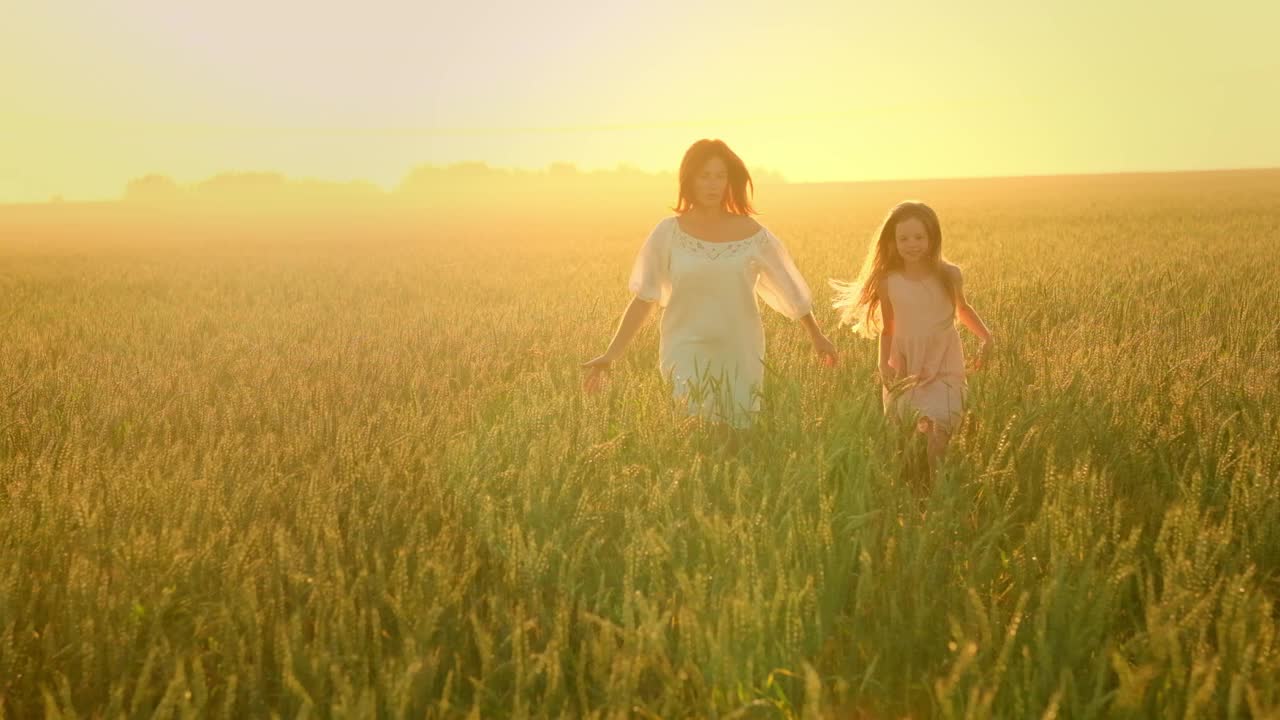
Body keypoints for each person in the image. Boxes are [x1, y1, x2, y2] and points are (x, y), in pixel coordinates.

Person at [581, 139, 837, 429]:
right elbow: (644, 298)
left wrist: (817, 336)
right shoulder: (668, 233)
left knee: (737, 435)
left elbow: (792, 290)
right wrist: (610, 355)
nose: (713, 184)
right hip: (684, 346)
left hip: (739, 348)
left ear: (730, 181)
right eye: (704, 176)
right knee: (691, 430)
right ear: (689, 180)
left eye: (720, 176)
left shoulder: (753, 234)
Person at [830, 201, 993, 473]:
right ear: (892, 242)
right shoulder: (888, 281)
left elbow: (962, 309)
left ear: (932, 238)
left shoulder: (950, 275)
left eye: (919, 237)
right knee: (912, 426)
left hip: (944, 360)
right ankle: (911, 479)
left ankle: (937, 488)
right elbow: (888, 328)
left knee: (939, 426)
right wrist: (883, 364)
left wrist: (987, 337)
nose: (912, 244)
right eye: (903, 238)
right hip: (905, 363)